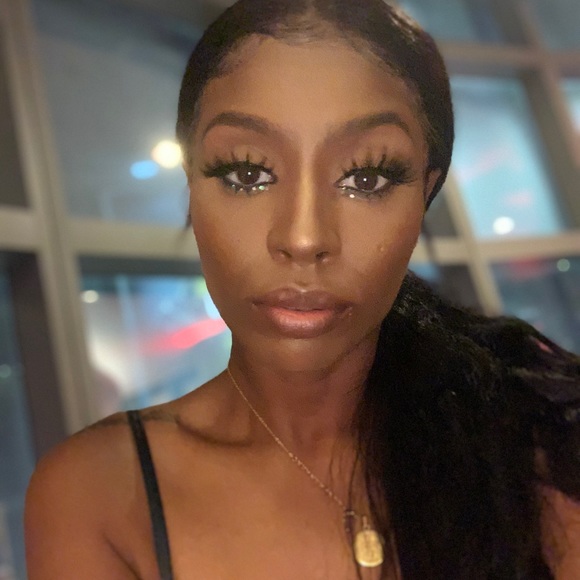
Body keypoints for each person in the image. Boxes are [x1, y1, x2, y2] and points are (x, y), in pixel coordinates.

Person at [25, 0, 580, 578]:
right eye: (247, 173)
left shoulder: (533, 451)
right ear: (192, 186)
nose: (304, 237)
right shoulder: (100, 496)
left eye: (367, 177)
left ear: (424, 195)